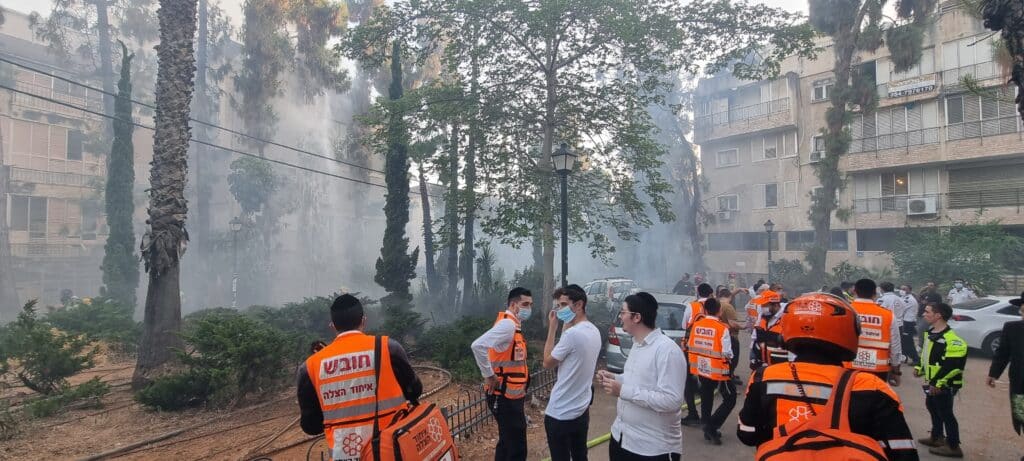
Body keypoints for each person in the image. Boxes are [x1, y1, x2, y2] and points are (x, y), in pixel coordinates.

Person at [736, 293, 919, 460]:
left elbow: (747, 434)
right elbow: (903, 453)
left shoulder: (764, 377)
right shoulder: (872, 387)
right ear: (849, 332)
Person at [297, 294, 423, 460]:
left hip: (345, 455)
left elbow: (311, 426)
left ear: (333, 326)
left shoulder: (309, 367)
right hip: (392, 450)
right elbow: (414, 391)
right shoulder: (388, 348)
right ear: (363, 320)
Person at [598, 292, 686, 460]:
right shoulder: (638, 344)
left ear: (636, 317)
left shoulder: (667, 351)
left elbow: (672, 400)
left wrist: (623, 391)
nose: (620, 317)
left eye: (623, 312)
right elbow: (636, 381)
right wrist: (614, 378)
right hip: (621, 438)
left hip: (652, 449)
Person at [471, 287, 534, 461]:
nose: (529, 308)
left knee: (507, 442)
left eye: (530, 304)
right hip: (504, 396)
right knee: (516, 448)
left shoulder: (513, 325)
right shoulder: (508, 325)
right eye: (525, 304)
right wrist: (489, 375)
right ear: (514, 305)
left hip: (510, 396)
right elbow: (477, 346)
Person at [543, 284, 602, 461]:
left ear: (578, 305)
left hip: (560, 413)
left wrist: (552, 328)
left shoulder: (572, 336)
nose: (559, 309)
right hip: (581, 410)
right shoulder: (593, 331)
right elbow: (568, 349)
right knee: (579, 456)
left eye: (562, 304)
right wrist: (567, 323)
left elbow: (547, 362)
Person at [916, 302, 967, 458]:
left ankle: (953, 446)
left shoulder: (952, 340)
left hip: (944, 383)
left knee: (946, 413)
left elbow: (953, 366)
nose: (924, 314)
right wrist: (919, 368)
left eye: (927, 312)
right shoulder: (931, 333)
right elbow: (926, 355)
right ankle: (937, 437)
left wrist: (938, 383)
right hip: (933, 382)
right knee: (932, 406)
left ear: (938, 315)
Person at [686, 297, 737, 445]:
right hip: (719, 370)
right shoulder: (722, 328)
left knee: (706, 397)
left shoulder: (696, 325)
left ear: (705, 310)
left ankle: (707, 424)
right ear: (719, 311)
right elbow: (727, 353)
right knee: (730, 398)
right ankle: (711, 426)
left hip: (701, 368)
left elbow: (691, 344)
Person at [845, 279, 902, 385]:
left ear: (855, 292)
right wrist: (895, 370)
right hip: (878, 370)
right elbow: (895, 345)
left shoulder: (845, 311)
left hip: (849, 368)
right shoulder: (888, 316)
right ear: (875, 294)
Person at [988, 291, 1024, 455]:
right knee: (1021, 417)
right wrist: (993, 374)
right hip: (1020, 384)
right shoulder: (1013, 328)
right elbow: (1003, 353)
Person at [680, 282, 714, 427]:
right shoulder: (715, 306)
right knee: (707, 383)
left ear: (698, 292)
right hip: (710, 350)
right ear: (710, 293)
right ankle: (706, 418)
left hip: (691, 349)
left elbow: (684, 326)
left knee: (688, 381)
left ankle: (693, 414)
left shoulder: (691, 306)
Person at [750, 289, 785, 369]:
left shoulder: (786, 316)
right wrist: (753, 355)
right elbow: (755, 336)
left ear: (776, 305)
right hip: (762, 361)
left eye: (765, 305)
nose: (762, 308)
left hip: (779, 363)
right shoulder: (762, 315)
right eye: (762, 305)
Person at [716, 288, 744, 381]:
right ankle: (729, 377)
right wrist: (745, 326)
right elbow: (732, 324)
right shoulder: (728, 307)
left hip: (719, 336)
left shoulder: (716, 304)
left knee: (723, 359)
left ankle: (728, 375)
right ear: (730, 297)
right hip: (731, 336)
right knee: (733, 359)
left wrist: (739, 290)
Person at [899, 283, 921, 366]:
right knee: (903, 341)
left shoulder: (909, 299)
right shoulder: (903, 298)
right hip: (904, 321)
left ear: (910, 290)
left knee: (908, 342)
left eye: (905, 289)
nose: (902, 290)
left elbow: (900, 308)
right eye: (901, 289)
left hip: (908, 322)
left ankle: (916, 359)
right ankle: (904, 357)